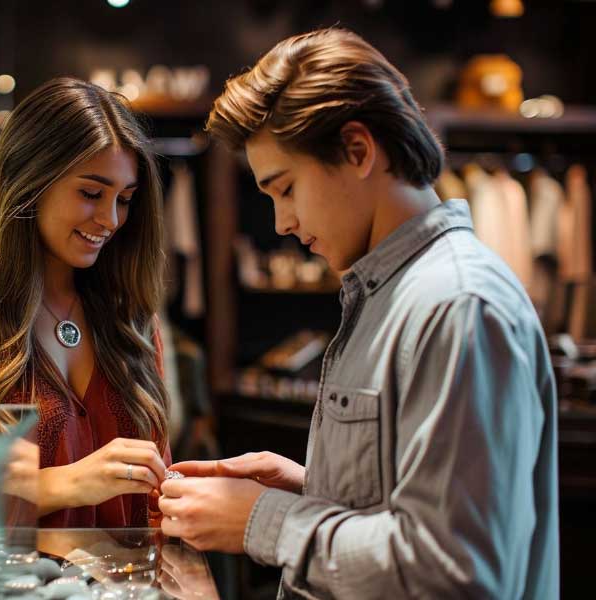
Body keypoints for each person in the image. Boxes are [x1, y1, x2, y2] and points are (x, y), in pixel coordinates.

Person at [159, 27, 559, 599]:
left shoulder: (456, 306)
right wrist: (306, 490)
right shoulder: (391, 294)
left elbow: (456, 572)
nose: (281, 223)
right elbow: (408, 513)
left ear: (357, 150)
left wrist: (264, 520)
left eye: (286, 188)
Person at [0, 78, 172, 530]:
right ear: (30, 181)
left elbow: (153, 491)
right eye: (90, 193)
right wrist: (57, 486)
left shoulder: (131, 316)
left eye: (124, 199)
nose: (110, 220)